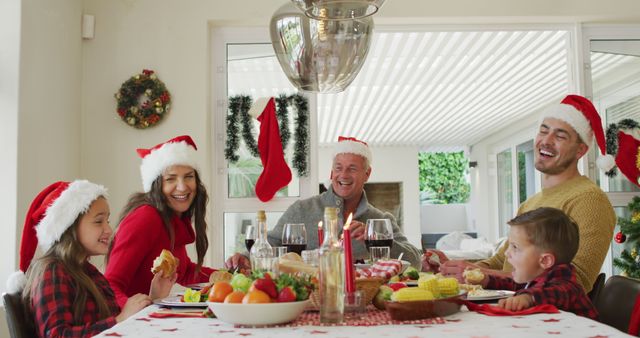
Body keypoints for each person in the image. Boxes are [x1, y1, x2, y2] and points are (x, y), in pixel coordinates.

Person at [433, 94, 616, 292]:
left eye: (560, 136)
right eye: (543, 131)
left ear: (580, 150)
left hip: (551, 318)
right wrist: (452, 268)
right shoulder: (531, 203)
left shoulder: (590, 199)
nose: (546, 141)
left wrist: (482, 275)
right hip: (512, 307)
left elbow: (577, 281)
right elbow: (500, 262)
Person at [226, 136, 423, 270]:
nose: (343, 175)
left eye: (352, 168)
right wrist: (245, 257)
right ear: (332, 172)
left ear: (367, 174)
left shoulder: (381, 220)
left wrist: (374, 239)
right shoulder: (302, 210)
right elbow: (270, 244)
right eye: (339, 168)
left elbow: (415, 261)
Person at [5, 180, 173, 337]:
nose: (109, 229)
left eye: (107, 220)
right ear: (69, 227)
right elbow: (57, 334)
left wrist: (154, 298)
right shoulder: (52, 271)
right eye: (99, 221)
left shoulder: (88, 271)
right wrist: (119, 320)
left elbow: (116, 320)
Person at [105, 135, 217, 307]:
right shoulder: (146, 218)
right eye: (171, 179)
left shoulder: (174, 218)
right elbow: (110, 285)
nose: (182, 186)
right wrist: (131, 310)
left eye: (188, 176)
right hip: (130, 322)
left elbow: (184, 271)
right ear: (157, 185)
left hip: (151, 312)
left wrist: (229, 275)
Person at [466, 207, 598, 319]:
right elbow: (513, 284)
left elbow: (555, 293)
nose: (507, 253)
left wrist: (528, 298)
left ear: (545, 260)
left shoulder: (567, 284)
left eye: (515, 247)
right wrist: (486, 280)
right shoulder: (535, 278)